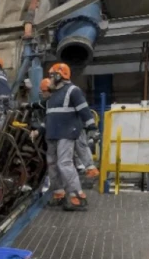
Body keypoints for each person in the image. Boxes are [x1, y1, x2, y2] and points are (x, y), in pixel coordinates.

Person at [31, 64, 99, 211]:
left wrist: (92, 128)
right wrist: (38, 131)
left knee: (65, 164)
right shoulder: (53, 96)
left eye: (51, 76)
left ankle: (77, 197)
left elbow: (84, 110)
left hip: (66, 134)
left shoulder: (73, 91)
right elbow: (49, 118)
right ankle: (59, 194)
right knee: (53, 165)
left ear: (58, 76)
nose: (49, 79)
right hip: (52, 135)